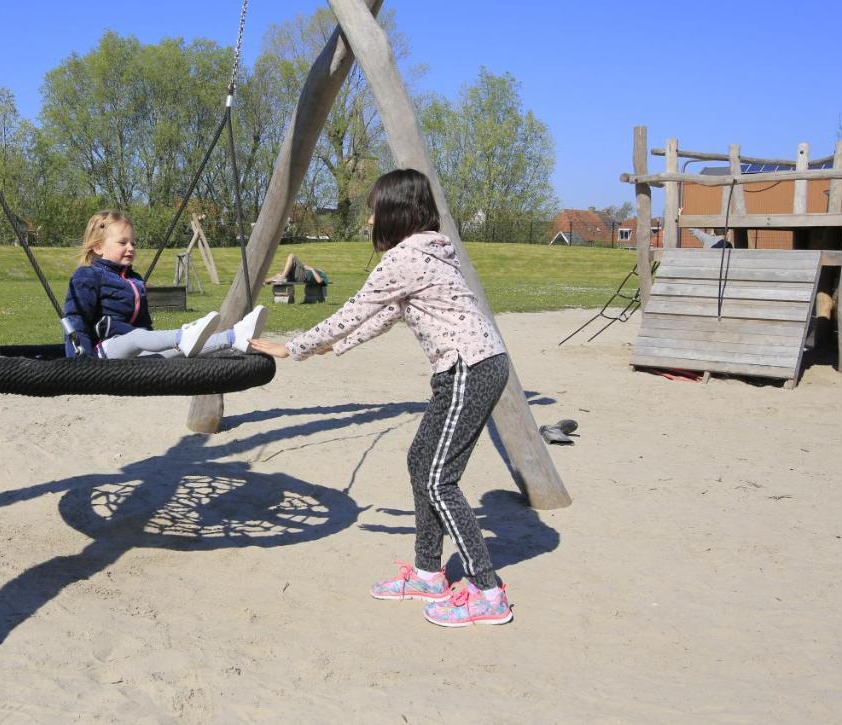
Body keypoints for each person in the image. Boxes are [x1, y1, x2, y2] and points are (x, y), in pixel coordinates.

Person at [250, 169, 512, 628]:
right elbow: (387, 314)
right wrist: (338, 347)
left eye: (374, 211)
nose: (369, 221)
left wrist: (295, 347)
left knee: (438, 480)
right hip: (465, 368)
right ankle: (430, 572)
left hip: (470, 367)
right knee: (421, 464)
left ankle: (487, 590)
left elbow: (354, 309)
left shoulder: (405, 259)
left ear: (394, 212)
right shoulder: (427, 251)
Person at [63, 210, 267, 359]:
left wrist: (154, 346)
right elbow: (75, 319)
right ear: (98, 247)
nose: (130, 248)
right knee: (137, 337)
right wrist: (80, 359)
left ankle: (235, 337)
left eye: (133, 243)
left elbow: (144, 322)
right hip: (103, 350)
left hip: (134, 351)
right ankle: (182, 335)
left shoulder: (134, 280)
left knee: (181, 350)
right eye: (122, 242)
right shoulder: (87, 275)